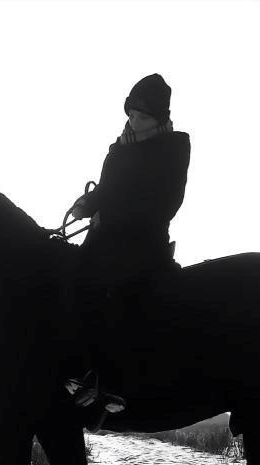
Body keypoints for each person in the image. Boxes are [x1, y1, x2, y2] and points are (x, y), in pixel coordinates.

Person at [67, 73, 191, 412]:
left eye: (143, 116)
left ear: (159, 118)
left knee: (113, 289)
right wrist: (87, 204)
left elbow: (167, 202)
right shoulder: (119, 148)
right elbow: (107, 191)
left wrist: (113, 216)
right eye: (132, 115)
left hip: (143, 240)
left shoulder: (175, 147)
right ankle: (77, 369)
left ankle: (111, 383)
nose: (134, 122)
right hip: (103, 239)